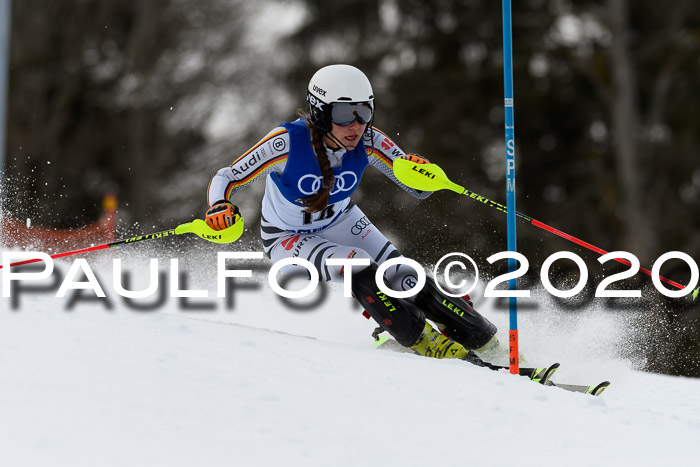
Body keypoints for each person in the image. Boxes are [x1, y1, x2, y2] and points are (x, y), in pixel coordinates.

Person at [205, 64, 504, 364]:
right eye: (345, 114)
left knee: (402, 274)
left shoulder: (370, 141)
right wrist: (220, 205)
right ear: (320, 112)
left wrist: (421, 172)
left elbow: (418, 190)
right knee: (357, 265)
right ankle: (421, 340)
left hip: (341, 219)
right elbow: (228, 176)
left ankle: (485, 340)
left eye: (364, 111)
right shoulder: (285, 143)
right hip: (287, 237)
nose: (357, 125)